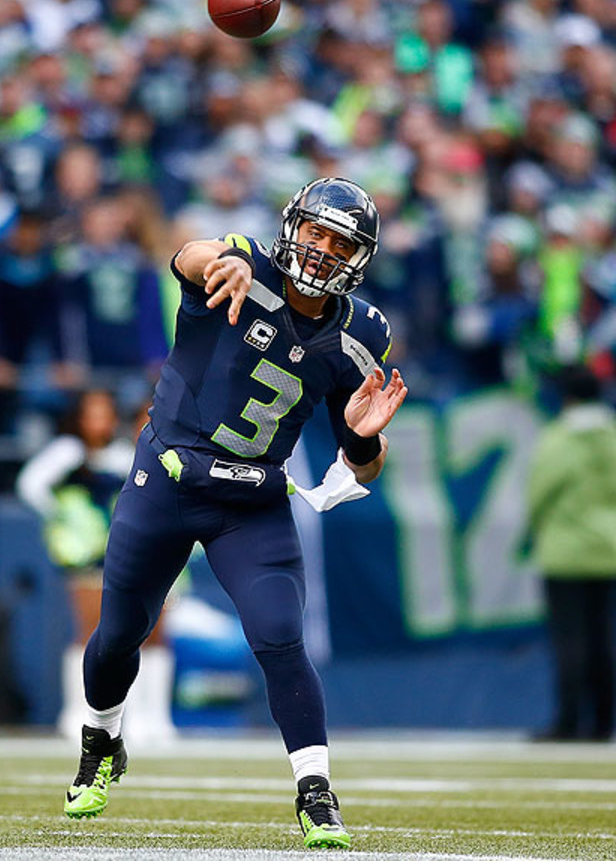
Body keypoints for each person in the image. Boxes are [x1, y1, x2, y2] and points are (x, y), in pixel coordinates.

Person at [61, 177, 408, 850]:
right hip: (167, 480)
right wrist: (216, 260)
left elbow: (361, 464)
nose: (322, 249)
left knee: (280, 635)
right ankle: (101, 739)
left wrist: (365, 441)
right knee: (120, 633)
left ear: (360, 258)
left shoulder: (363, 333)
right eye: (315, 232)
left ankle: (315, 790)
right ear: (292, 227)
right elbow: (188, 255)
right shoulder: (244, 263)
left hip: (250, 499)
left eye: (340, 243)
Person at [17, 390, 175, 744]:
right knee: (89, 629)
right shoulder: (66, 452)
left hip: (124, 551)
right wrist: (63, 517)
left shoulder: (120, 455)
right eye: (92, 414)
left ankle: (148, 717)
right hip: (85, 553)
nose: (99, 422)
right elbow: (30, 485)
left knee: (143, 633)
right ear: (79, 418)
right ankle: (76, 713)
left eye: (105, 414)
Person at [526, 365, 616, 742]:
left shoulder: (559, 439)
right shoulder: (611, 437)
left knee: (570, 641)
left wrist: (533, 530)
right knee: (603, 640)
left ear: (567, 397)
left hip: (565, 552)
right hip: (609, 550)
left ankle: (568, 722)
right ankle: (603, 723)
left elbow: (540, 492)